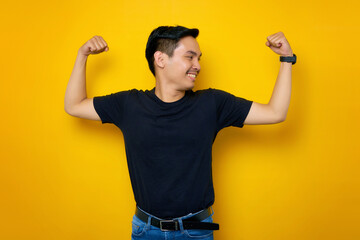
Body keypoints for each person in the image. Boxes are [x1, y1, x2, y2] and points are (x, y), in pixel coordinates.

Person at [64, 25, 295, 239]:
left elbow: (275, 112)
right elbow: (74, 105)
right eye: (189, 56)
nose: (198, 65)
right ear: (161, 59)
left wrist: (286, 59)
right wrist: (81, 55)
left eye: (199, 58)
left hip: (197, 231)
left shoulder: (212, 103)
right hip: (146, 230)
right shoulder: (129, 104)